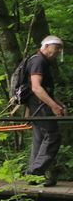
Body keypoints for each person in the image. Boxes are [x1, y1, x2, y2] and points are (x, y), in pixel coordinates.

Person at [25, 35, 66, 186]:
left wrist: (58, 103)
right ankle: (34, 172)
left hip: (39, 105)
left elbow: (45, 89)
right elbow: (36, 87)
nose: (57, 54)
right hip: (40, 106)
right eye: (56, 50)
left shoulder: (41, 61)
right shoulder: (38, 61)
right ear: (47, 46)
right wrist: (54, 106)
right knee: (53, 136)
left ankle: (33, 178)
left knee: (40, 139)